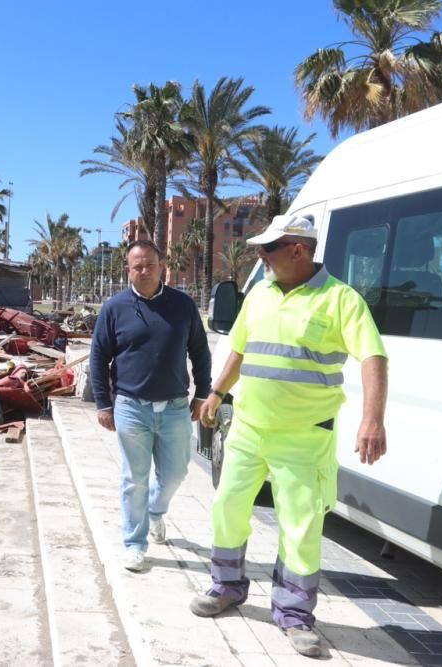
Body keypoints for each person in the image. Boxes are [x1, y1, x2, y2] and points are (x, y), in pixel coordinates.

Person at [189, 215, 389, 658]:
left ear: (298, 249)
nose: (260, 257)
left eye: (268, 249)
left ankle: (294, 614)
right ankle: (226, 587)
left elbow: (373, 356)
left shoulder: (341, 300)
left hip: (303, 437)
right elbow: (240, 348)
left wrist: (372, 419)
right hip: (248, 429)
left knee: (300, 525)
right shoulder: (259, 293)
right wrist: (216, 393)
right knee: (227, 506)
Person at [90, 239, 211, 572]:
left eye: (150, 265)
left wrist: (203, 392)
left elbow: (200, 350)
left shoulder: (183, 305)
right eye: (137, 266)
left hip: (175, 408)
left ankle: (156, 512)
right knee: (134, 478)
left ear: (162, 267)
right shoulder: (115, 308)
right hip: (131, 407)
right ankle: (134, 542)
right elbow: (98, 356)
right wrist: (103, 403)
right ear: (128, 270)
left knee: (176, 473)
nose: (144, 271)